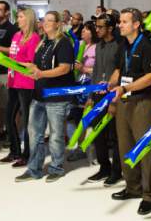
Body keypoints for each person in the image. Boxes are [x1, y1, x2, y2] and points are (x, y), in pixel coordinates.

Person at [109, 8, 151, 216]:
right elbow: (119, 70)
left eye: (124, 22)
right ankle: (133, 187)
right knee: (125, 146)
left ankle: (150, 195)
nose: (120, 25)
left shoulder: (147, 46)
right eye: (120, 21)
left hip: (142, 102)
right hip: (123, 101)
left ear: (137, 24)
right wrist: (110, 83)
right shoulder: (123, 46)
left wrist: (126, 88)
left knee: (145, 149)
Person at [15, 11, 74, 182]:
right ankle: (34, 169)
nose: (46, 23)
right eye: (44, 20)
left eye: (50, 20)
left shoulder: (64, 43)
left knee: (55, 135)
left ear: (57, 24)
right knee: (34, 134)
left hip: (56, 96)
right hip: (39, 95)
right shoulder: (42, 42)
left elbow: (64, 68)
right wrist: (16, 64)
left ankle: (56, 167)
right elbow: (36, 66)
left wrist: (41, 74)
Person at [0, 8, 40, 167]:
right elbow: (12, 56)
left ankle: (27, 154)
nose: (18, 18)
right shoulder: (16, 35)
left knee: (27, 120)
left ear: (28, 19)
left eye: (21, 16)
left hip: (26, 84)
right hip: (13, 81)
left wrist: (10, 62)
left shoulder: (34, 38)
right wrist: (3, 61)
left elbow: (32, 64)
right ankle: (14, 151)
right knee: (9, 118)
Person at [86, 13, 122, 186]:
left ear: (110, 28)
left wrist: (114, 101)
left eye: (100, 27)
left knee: (115, 137)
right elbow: (95, 72)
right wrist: (91, 96)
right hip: (97, 96)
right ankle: (104, 168)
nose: (97, 29)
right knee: (98, 134)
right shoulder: (98, 46)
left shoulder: (119, 46)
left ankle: (116, 171)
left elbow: (121, 73)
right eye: (96, 26)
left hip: (113, 96)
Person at [67, 20, 98, 162]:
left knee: (89, 118)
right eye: (83, 30)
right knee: (77, 116)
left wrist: (84, 68)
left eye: (87, 30)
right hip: (77, 84)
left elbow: (99, 69)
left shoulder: (97, 47)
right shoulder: (80, 44)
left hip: (90, 85)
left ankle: (90, 146)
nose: (84, 32)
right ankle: (80, 145)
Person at [0, 0, 18, 140]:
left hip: (5, 72)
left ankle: (12, 132)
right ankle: (0, 129)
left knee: (9, 104)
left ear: (7, 12)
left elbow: (15, 50)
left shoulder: (12, 29)